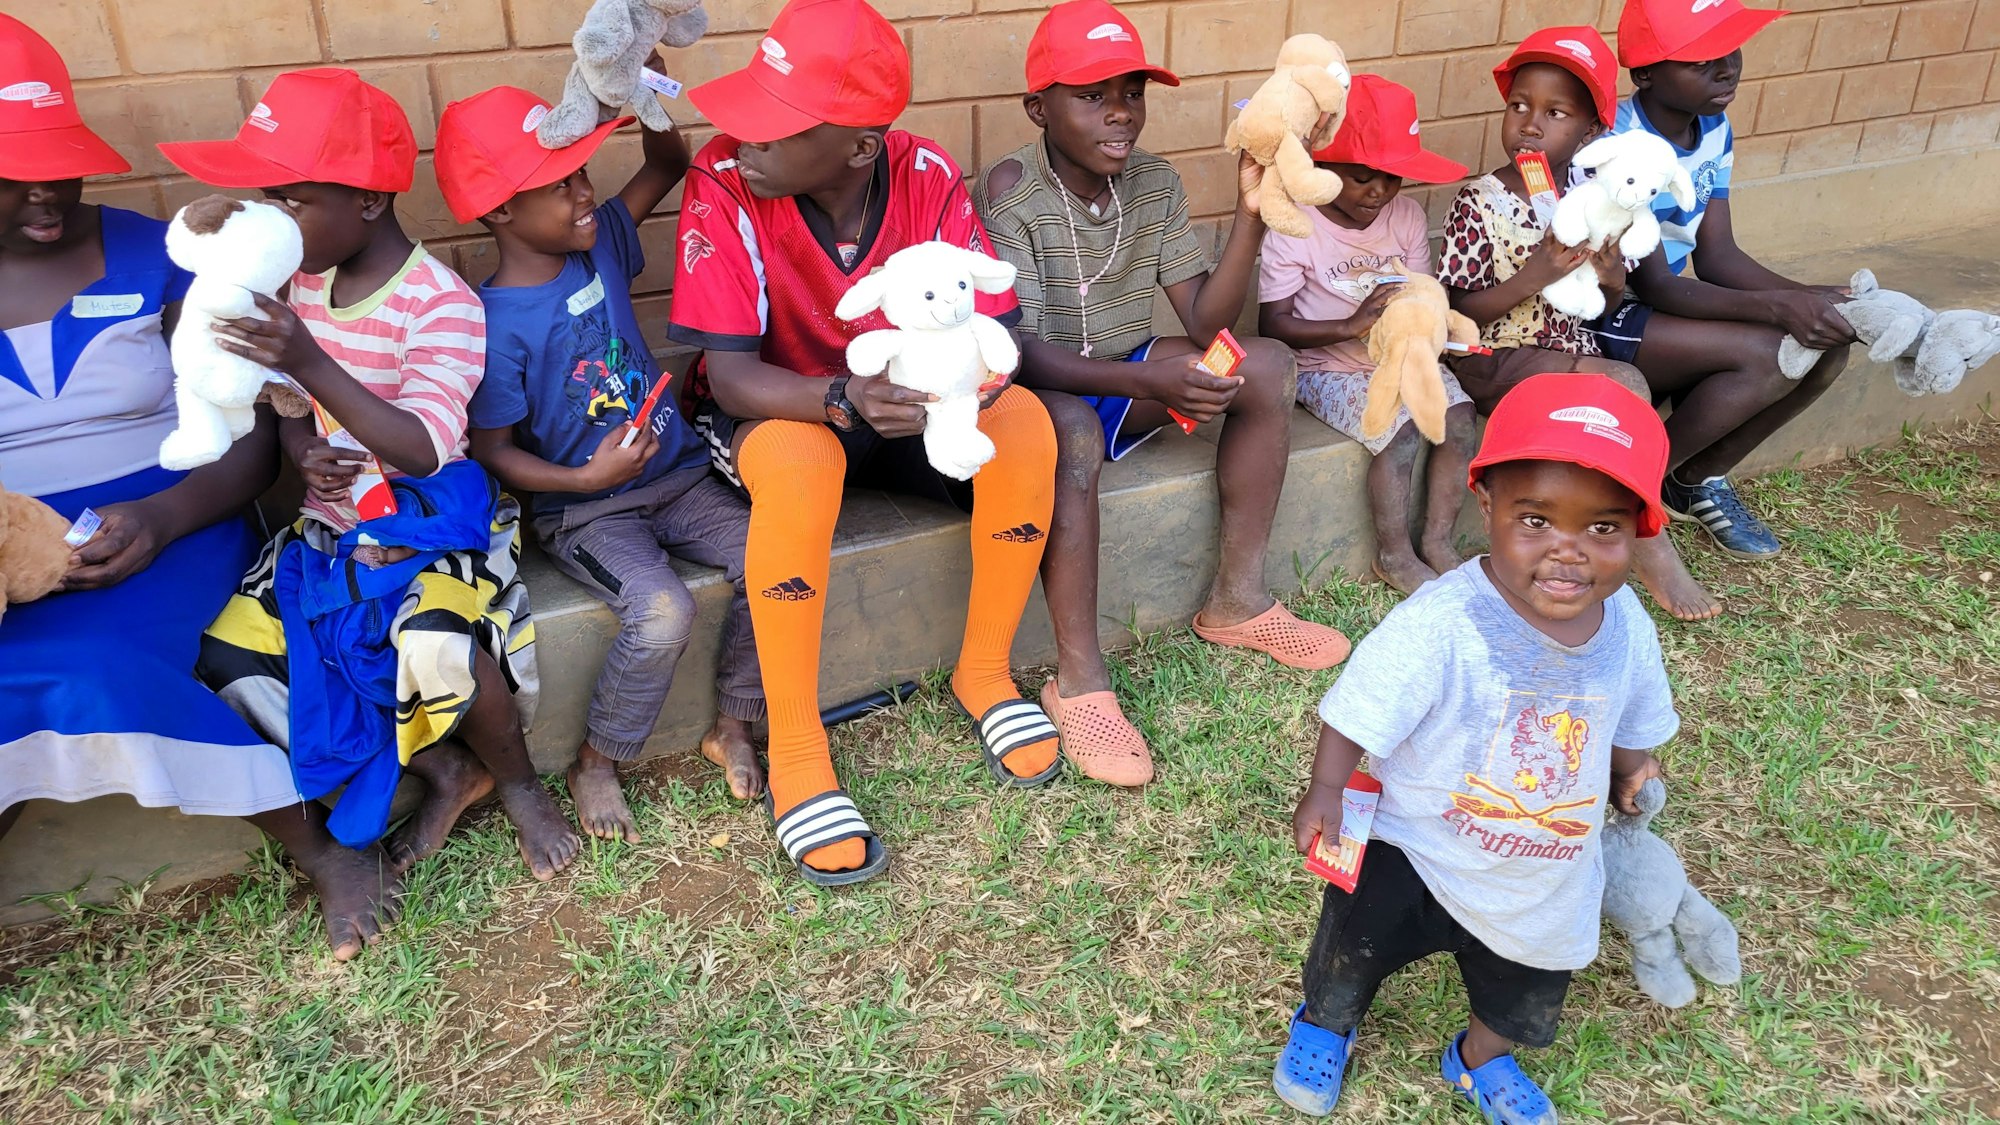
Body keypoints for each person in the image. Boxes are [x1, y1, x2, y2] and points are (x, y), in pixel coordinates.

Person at [0, 15, 404, 962]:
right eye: (12, 176)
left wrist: (160, 516)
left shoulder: (166, 257)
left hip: (169, 525)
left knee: (90, 670)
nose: (47, 194)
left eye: (59, 165)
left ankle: (317, 840)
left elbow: (251, 432)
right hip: (11, 545)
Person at [666, 0, 1060, 885]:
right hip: (783, 407)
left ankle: (986, 672)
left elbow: (992, 327)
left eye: (773, 126)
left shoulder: (925, 172)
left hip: (915, 409)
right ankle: (798, 748)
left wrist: (948, 396)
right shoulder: (723, 177)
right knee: (803, 463)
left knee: (1027, 422)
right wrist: (841, 396)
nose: (744, 137)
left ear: (858, 145)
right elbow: (727, 375)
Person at [165, 70, 582, 884]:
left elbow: (425, 445)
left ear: (366, 201)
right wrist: (299, 448)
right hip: (332, 522)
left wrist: (309, 358)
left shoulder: (440, 303)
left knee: (437, 640)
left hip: (432, 514)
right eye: (269, 198)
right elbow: (290, 407)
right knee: (229, 658)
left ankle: (522, 781)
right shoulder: (301, 286)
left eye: (292, 201)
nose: (273, 220)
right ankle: (444, 772)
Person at [1274, 373, 1680, 1123]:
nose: (1569, 552)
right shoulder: (1443, 621)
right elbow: (1361, 707)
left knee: (1528, 979)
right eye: (1536, 519)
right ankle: (1326, 1022)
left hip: (1543, 867)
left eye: (1602, 528)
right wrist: (1328, 788)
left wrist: (1628, 768)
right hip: (1416, 841)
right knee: (1351, 944)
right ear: (1485, 503)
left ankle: (1480, 1057)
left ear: (1639, 529)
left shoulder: (1627, 626)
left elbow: (1627, 711)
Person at [975, 0, 1349, 785]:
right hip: (1048, 391)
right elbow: (1015, 353)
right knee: (1072, 426)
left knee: (1268, 365)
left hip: (1130, 368)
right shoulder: (1011, 191)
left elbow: (1206, 317)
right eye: (1092, 96)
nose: (1120, 113)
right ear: (1038, 107)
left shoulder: (1152, 181)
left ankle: (1237, 602)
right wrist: (1146, 378)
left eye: (1132, 92)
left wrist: (1249, 215)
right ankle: (1079, 679)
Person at [436, 85, 765, 845]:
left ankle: (734, 723)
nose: (585, 191)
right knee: (661, 611)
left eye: (582, 172)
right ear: (499, 214)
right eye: (560, 184)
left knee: (768, 554)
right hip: (585, 511)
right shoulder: (496, 325)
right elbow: (496, 454)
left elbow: (669, 159)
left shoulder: (603, 236)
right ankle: (597, 759)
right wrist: (586, 482)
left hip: (677, 475)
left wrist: (648, 89)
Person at [1439, 26, 1720, 623]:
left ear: (1593, 135)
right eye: (1519, 107)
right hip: (1493, 357)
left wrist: (1613, 277)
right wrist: (1532, 276)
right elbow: (1457, 315)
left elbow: (1605, 303)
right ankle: (1651, 543)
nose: (1531, 125)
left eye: (1555, 113)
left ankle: (1610, 522)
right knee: (1621, 386)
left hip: (1566, 351)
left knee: (1619, 390)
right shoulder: (1478, 199)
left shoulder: (1595, 197)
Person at [1597, 0, 1856, 560]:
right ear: (1645, 74)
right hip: (1607, 312)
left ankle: (1692, 480)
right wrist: (1780, 310)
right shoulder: (1620, 139)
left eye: (1729, 50)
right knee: (1771, 353)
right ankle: (1618, 495)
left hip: (1669, 304)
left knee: (1827, 345)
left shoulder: (1713, 126)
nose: (1726, 68)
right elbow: (1659, 285)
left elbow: (1717, 256)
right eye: (1700, 60)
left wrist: (1812, 298)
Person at [1258, 74, 1475, 596]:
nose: (1378, 191)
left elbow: (1422, 290)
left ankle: (1440, 541)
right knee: (1400, 432)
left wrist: (1437, 331)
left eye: (1393, 177)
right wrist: (1351, 326)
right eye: (1361, 176)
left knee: (1461, 419)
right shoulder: (1296, 225)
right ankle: (1394, 554)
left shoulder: (1403, 216)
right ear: (1321, 169)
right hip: (1326, 368)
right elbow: (1274, 327)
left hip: (1405, 356)